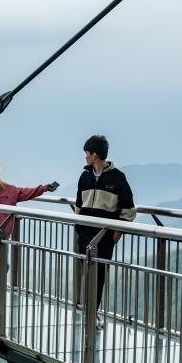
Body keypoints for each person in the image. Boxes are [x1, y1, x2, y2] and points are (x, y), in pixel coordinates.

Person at [0, 157, 57, 306]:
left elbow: (26, 192)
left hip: (2, 234)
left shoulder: (8, 189)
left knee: (4, 265)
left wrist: (44, 188)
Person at [74, 134, 136, 321]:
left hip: (105, 237)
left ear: (95, 155)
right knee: (86, 272)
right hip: (85, 234)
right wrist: (79, 230)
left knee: (99, 275)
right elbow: (78, 205)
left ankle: (93, 313)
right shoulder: (85, 176)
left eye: (87, 153)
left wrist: (114, 236)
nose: (85, 156)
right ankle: (86, 310)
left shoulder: (118, 178)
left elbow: (129, 210)